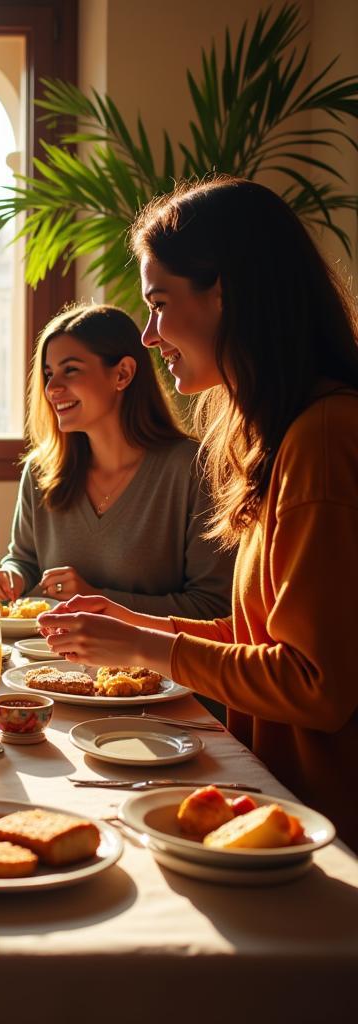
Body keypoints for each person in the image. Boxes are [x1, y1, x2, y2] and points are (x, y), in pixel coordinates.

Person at [38, 178, 358, 847]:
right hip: (272, 806)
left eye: (159, 304)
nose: (151, 335)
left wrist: (142, 644)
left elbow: (316, 686)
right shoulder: (289, 434)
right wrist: (130, 623)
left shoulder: (324, 440)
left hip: (324, 829)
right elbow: (261, 638)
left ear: (226, 293)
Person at [0, 303, 233, 618]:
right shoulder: (39, 471)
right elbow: (25, 560)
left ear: (123, 374)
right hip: (50, 662)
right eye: (48, 374)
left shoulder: (194, 469)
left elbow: (213, 607)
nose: (52, 388)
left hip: (150, 667)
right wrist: (11, 576)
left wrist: (97, 599)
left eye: (70, 369)